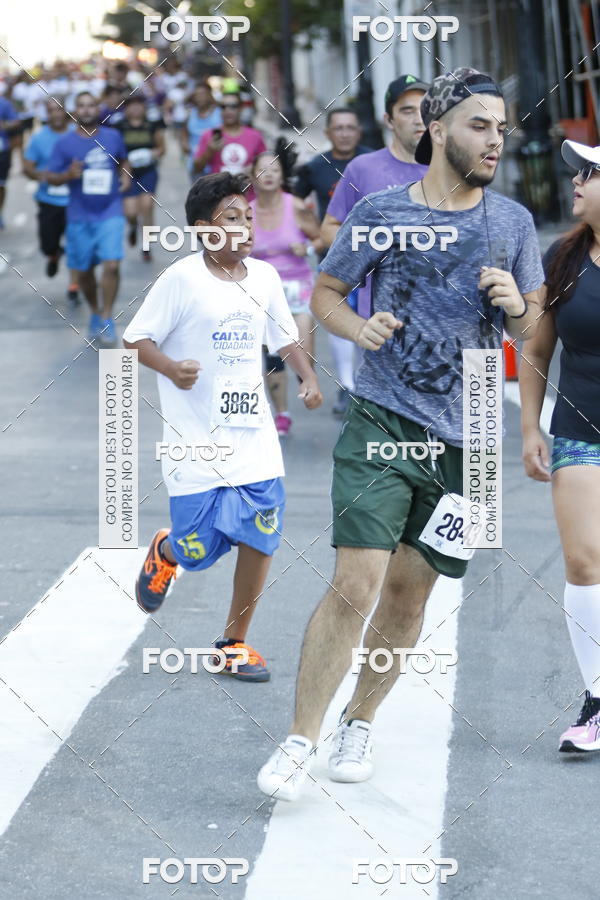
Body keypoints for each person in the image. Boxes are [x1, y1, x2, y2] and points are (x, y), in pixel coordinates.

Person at [258, 67, 545, 801]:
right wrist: (361, 325)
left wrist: (517, 307)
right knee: (355, 584)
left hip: (472, 435)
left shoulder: (510, 223)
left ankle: (361, 720)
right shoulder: (381, 211)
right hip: (384, 417)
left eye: (501, 128)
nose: (494, 140)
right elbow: (325, 292)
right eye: (479, 125)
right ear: (438, 129)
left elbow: (535, 329)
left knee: (410, 599)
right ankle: (298, 741)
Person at [122, 172, 322, 682]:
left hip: (253, 437)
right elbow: (135, 339)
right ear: (205, 230)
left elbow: (284, 338)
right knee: (198, 549)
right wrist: (170, 368)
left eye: (248, 217)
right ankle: (167, 550)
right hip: (193, 441)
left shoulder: (265, 279)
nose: (245, 227)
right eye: (232, 219)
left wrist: (307, 376)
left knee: (260, 537)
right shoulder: (181, 279)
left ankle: (234, 642)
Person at [520, 139, 600, 753]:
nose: (575, 181)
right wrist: (529, 427)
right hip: (582, 433)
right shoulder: (565, 258)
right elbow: (538, 350)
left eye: (590, 173)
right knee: (584, 562)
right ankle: (598, 698)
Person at [322, 75, 429, 321]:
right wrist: (367, 252)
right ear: (388, 120)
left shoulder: (451, 169)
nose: (418, 119)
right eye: (407, 111)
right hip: (379, 317)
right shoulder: (362, 168)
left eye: (425, 110)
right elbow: (330, 226)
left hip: (441, 311)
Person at [294, 108, 371, 415]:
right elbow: (296, 203)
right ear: (327, 133)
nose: (344, 133)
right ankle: (348, 386)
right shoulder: (316, 166)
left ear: (359, 132)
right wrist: (316, 235)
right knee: (340, 321)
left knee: (370, 320)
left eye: (350, 127)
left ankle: (369, 386)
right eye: (338, 128)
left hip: (374, 259)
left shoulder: (372, 163)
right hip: (335, 257)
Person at [250, 144, 322, 437]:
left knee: (303, 350)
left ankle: (308, 382)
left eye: (275, 170)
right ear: (253, 176)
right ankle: (281, 413)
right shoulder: (245, 211)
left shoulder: (295, 205)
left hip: (298, 287)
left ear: (282, 176)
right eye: (262, 170)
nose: (268, 175)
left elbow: (320, 238)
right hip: (263, 290)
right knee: (272, 355)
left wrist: (306, 247)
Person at [46, 91, 129, 343]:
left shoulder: (113, 137)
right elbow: (51, 176)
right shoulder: (64, 144)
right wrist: (67, 175)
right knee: (83, 272)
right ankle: (94, 311)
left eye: (91, 105)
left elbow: (123, 161)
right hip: (79, 214)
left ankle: (107, 316)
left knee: (112, 264)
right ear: (75, 111)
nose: (86, 109)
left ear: (98, 109)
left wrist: (125, 177)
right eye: (81, 105)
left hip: (110, 209)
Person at [22, 98, 80, 302]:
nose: (55, 114)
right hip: (48, 200)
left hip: (76, 200)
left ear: (65, 111)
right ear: (46, 114)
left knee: (76, 244)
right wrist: (42, 176)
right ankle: (54, 253)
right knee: (47, 244)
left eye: (58, 110)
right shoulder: (39, 138)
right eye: (50, 111)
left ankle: (74, 285)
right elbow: (27, 167)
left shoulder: (78, 133)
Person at [115, 95, 166, 261]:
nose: (136, 109)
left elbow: (162, 148)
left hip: (148, 171)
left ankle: (147, 244)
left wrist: (152, 153)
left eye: (139, 105)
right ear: (126, 108)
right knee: (130, 211)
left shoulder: (151, 126)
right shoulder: (119, 127)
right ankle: (132, 226)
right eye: (132, 105)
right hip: (126, 172)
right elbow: (114, 152)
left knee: (147, 205)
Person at [194, 92, 266, 176]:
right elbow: (197, 168)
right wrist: (209, 151)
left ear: (241, 108)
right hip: (218, 188)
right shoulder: (208, 135)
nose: (227, 110)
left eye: (233, 106)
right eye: (223, 107)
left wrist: (255, 168)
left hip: (247, 188)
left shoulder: (255, 136)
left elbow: (266, 166)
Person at [182, 82, 221, 178]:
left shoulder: (219, 114)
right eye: (197, 95)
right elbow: (184, 133)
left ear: (209, 96)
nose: (200, 98)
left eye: (203, 94)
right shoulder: (191, 113)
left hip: (214, 165)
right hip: (195, 164)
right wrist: (185, 145)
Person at [0, 92, 21, 228]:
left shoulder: (3, 103)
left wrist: (5, 126)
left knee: (1, 185)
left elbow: (17, 121)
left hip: (2, 151)